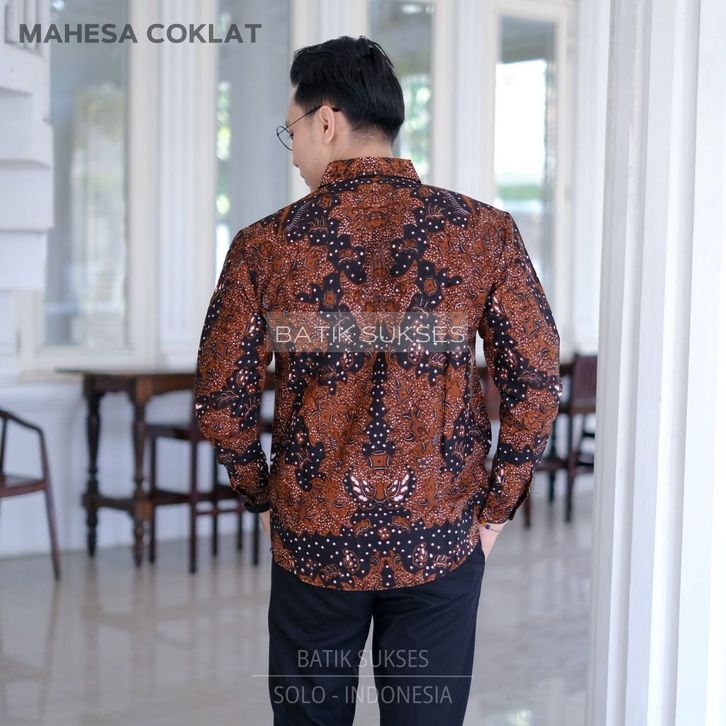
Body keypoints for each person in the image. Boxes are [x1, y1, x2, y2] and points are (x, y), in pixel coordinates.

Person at [194, 34, 562, 726]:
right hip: (441, 537)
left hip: (313, 540)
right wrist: (495, 509)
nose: (294, 152)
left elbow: (221, 397)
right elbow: (537, 381)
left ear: (326, 121)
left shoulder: (266, 245)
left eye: (292, 131)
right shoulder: (483, 233)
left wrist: (263, 496)